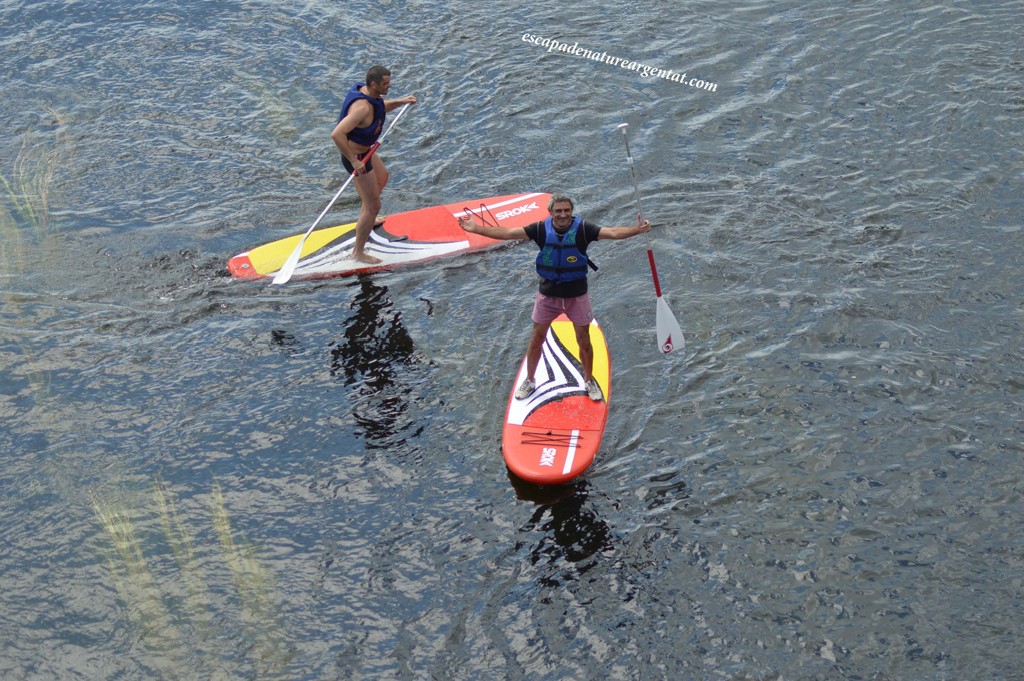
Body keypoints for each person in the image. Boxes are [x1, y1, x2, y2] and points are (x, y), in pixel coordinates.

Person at [458, 194, 651, 401]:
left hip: (576, 296)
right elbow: (507, 233)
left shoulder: (583, 229)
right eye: (558, 211)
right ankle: (530, 381)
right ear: (551, 213)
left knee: (584, 341)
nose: (563, 215)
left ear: (571, 211)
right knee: (536, 339)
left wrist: (636, 230)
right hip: (547, 296)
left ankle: (589, 381)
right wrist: (476, 228)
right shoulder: (540, 229)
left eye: (566, 210)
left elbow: (612, 232)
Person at [331, 65, 417, 264]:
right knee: (374, 205)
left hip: (366, 152)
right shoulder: (361, 108)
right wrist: (354, 160)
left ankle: (366, 216)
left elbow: (380, 106)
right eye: (386, 83)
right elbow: (336, 134)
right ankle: (358, 252)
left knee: (382, 178)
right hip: (357, 158)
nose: (390, 85)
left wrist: (401, 102)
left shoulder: (372, 96)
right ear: (373, 84)